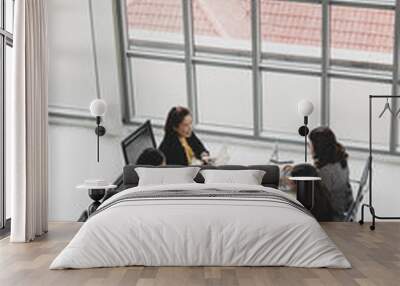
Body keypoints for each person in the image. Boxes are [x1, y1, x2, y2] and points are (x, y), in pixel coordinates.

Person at [286, 127, 354, 221]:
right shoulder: (338, 159)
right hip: (344, 204)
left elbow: (319, 199)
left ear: (318, 146)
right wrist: (297, 169)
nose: (309, 146)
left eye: (310, 144)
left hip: (333, 213)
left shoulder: (325, 172)